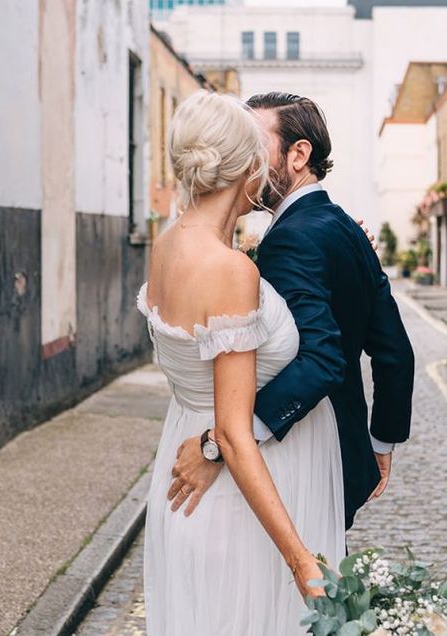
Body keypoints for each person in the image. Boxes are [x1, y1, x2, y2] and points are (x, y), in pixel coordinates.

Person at [138, 91, 345, 635]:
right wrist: (302, 560)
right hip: (232, 506)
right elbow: (232, 433)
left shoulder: (166, 246)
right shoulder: (231, 271)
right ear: (249, 166)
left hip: (180, 480)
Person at [168, 92, 414, 540]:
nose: (243, 157)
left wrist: (220, 444)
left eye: (253, 142)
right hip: (346, 454)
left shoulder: (292, 239)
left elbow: (321, 358)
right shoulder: (342, 227)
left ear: (299, 154)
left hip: (297, 459)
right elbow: (395, 351)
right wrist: (381, 440)